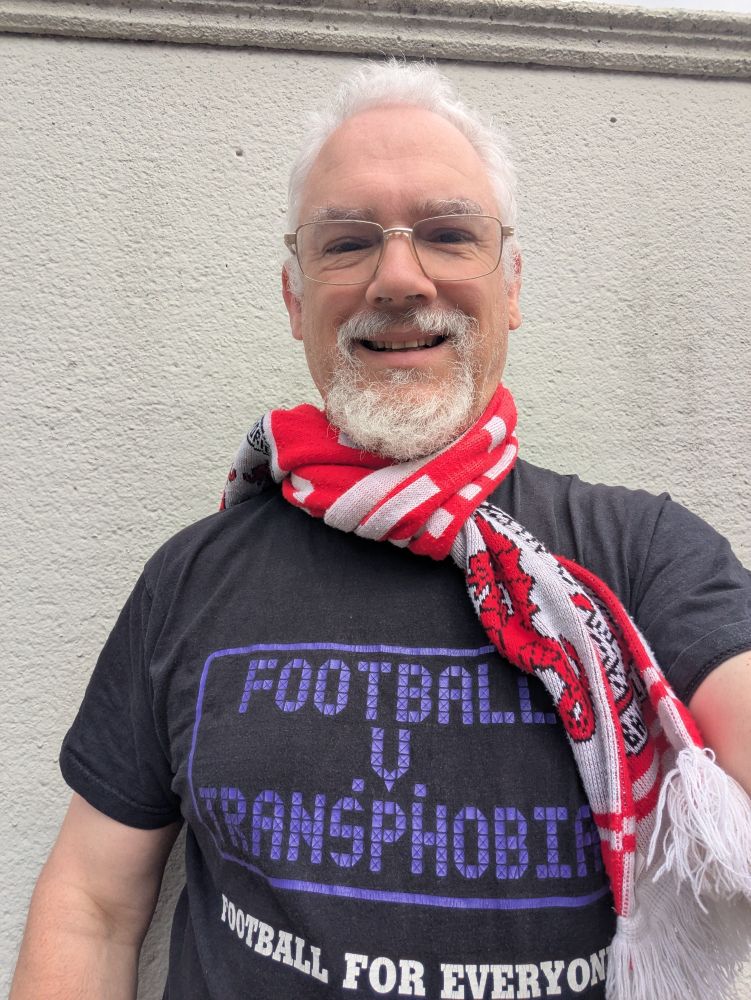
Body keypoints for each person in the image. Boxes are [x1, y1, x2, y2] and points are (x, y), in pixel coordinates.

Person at [10, 60, 751, 1000]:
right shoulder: (191, 577)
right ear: (295, 300)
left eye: (448, 234)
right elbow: (92, 905)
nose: (398, 278)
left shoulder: (643, 557)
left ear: (511, 286)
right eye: (348, 242)